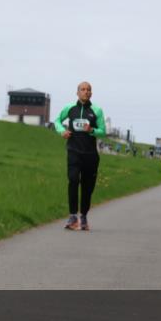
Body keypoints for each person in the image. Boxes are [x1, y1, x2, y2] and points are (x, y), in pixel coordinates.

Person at [53, 82, 106, 231]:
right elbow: (57, 120)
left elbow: (103, 131)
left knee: (87, 187)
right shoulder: (70, 108)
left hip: (90, 154)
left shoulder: (97, 110)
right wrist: (62, 131)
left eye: (88, 90)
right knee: (73, 180)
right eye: (83, 89)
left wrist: (92, 130)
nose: (86, 92)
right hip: (74, 151)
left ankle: (83, 216)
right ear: (77, 93)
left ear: (91, 93)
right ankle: (72, 217)